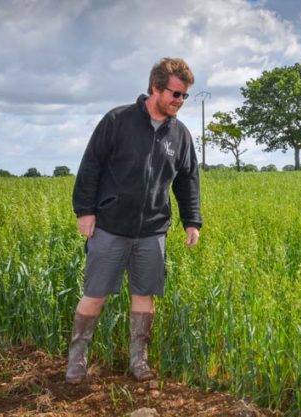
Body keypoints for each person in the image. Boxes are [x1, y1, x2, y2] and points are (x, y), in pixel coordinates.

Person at [66, 57, 202, 384]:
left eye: (184, 96)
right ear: (155, 88)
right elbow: (91, 166)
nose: (179, 101)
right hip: (111, 226)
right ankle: (77, 359)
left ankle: (138, 361)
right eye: (175, 94)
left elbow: (187, 180)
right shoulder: (117, 120)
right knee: (95, 292)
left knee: (144, 295)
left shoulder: (180, 135)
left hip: (153, 230)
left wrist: (191, 220)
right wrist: (85, 210)